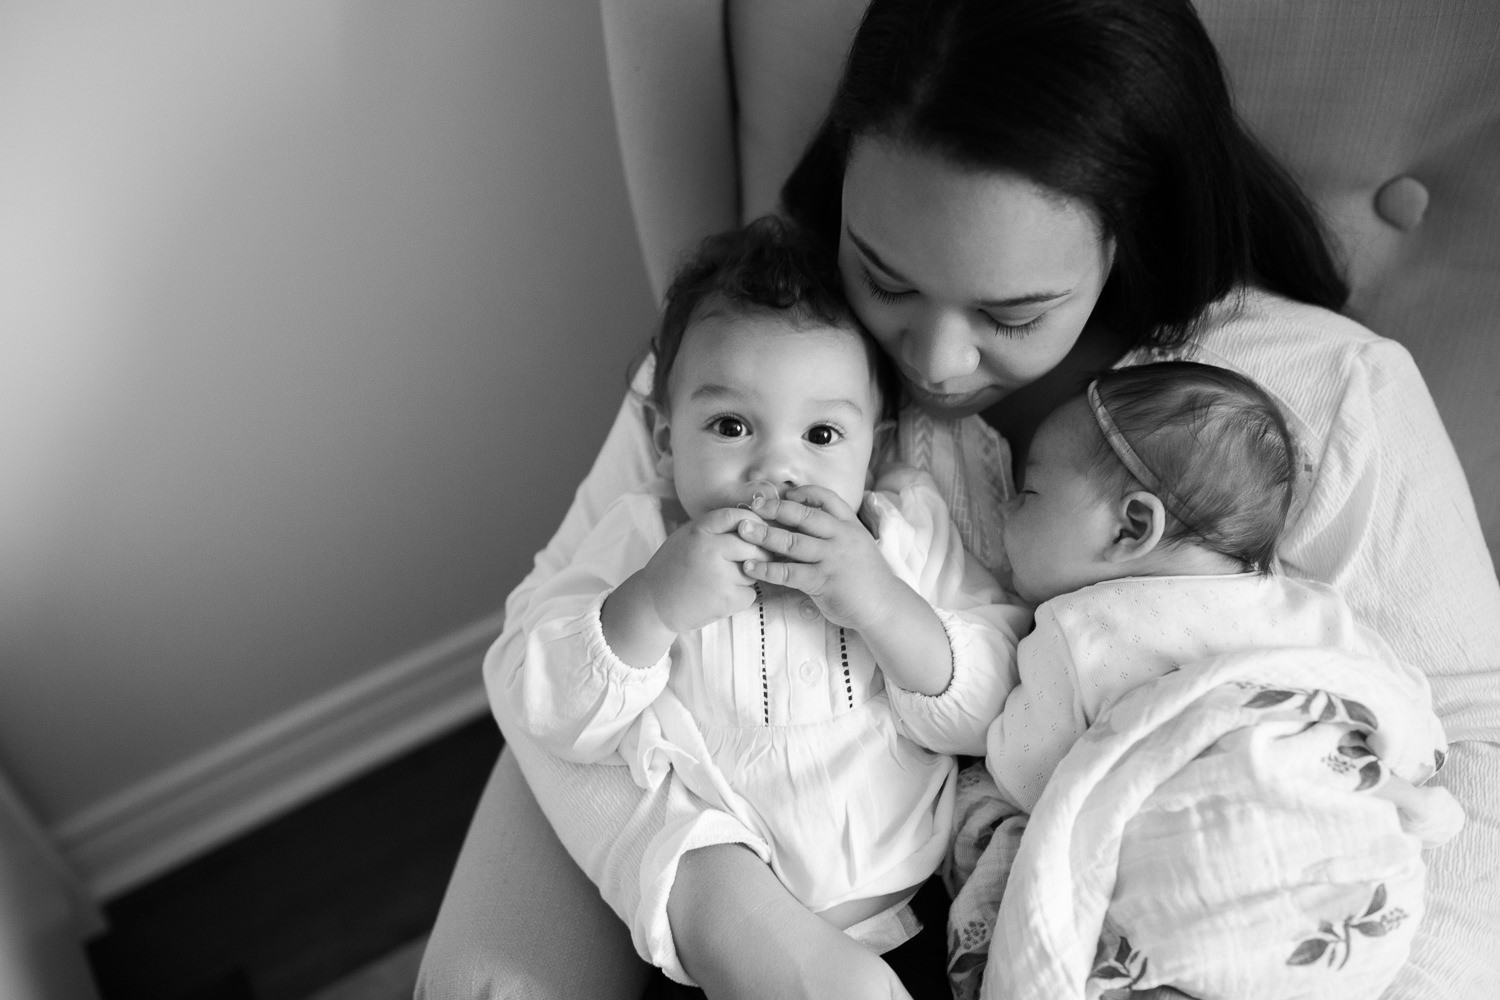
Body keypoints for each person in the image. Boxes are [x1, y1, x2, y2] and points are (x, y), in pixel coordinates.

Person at [479, 1, 1500, 997]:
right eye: (882, 274)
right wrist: (708, 896)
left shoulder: (1319, 398)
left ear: (1124, 234)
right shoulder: (765, 355)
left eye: (1013, 311)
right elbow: (544, 638)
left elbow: (1474, 752)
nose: (932, 358)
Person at [510, 216, 1027, 969]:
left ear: (873, 445)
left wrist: (883, 603)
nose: (776, 471)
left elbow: (997, 708)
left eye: (821, 436)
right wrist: (651, 607)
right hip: (724, 951)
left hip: (921, 916)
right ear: (664, 439)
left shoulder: (901, 531)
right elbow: (550, 709)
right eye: (731, 425)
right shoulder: (643, 541)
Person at [940, 361, 1463, 999]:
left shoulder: (1078, 629)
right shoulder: (1310, 605)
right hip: (1349, 884)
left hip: (1188, 877)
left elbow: (1031, 776)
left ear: (1132, 527)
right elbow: (1406, 713)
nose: (1003, 515)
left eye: (1026, 493)